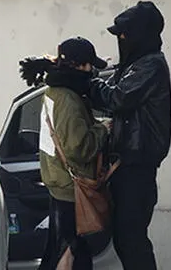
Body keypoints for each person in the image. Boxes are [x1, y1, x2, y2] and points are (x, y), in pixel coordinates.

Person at [86, 1, 171, 270]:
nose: (121, 40)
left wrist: (83, 80)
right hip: (126, 166)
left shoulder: (150, 66)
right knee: (126, 239)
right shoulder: (134, 64)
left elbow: (116, 97)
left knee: (131, 239)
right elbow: (107, 92)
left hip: (138, 167)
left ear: (140, 35)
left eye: (125, 34)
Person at [19, 37, 110, 270]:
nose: (92, 71)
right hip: (72, 188)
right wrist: (103, 129)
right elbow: (79, 149)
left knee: (62, 249)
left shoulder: (53, 92)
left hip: (58, 182)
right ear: (79, 66)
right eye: (89, 65)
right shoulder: (69, 100)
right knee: (70, 252)